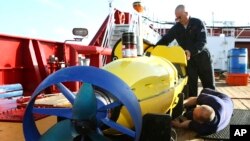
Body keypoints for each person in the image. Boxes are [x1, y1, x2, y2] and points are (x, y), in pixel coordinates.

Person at [155, 4, 215, 97]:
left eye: (180, 17)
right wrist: (154, 48)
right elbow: (165, 39)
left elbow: (202, 41)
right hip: (189, 61)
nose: (178, 20)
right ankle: (191, 111)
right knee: (191, 89)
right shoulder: (177, 28)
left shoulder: (198, 23)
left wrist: (191, 51)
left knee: (209, 88)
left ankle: (212, 109)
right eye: (176, 18)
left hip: (203, 59)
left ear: (186, 13)